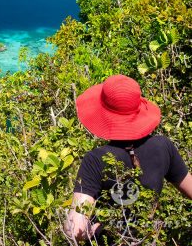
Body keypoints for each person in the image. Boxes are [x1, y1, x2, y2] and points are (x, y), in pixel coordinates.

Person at [65, 74, 192, 242]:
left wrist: (97, 228)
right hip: (149, 240)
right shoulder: (163, 146)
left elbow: (76, 229)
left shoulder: (95, 159)